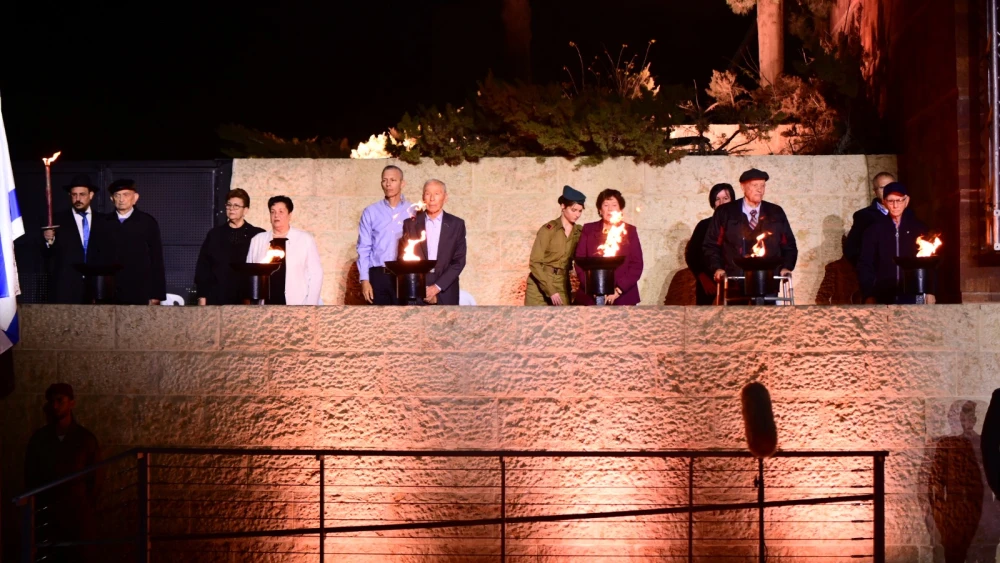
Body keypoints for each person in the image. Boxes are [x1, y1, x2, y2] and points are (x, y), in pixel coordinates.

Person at [24, 383, 100, 563]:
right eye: (53, 401)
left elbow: (96, 480)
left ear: (71, 403)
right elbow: (31, 475)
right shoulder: (40, 439)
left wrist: (84, 507)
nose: (55, 405)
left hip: (77, 519)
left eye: (60, 400)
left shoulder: (85, 439)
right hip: (47, 516)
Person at [703, 168, 797, 298]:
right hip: (734, 282)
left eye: (762, 185)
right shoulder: (725, 212)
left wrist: (786, 267)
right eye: (755, 185)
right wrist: (717, 268)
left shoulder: (775, 212)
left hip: (768, 282)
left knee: (768, 317)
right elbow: (711, 245)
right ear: (743, 187)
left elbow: (789, 245)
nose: (760, 189)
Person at [42, 174, 116, 304]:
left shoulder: (104, 221)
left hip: (97, 288)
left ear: (91, 195)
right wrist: (49, 241)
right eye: (74, 195)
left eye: (82, 194)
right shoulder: (56, 220)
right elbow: (46, 255)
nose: (78, 198)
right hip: (66, 288)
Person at [857, 182, 934, 304]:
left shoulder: (919, 229)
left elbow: (930, 263)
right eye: (891, 201)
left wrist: (930, 291)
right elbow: (865, 265)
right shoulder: (873, 231)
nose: (895, 205)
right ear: (884, 202)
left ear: (906, 201)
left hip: (914, 295)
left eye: (899, 200)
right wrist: (869, 294)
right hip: (883, 295)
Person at [399, 179, 467, 305]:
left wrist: (436, 287)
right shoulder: (410, 224)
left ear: (445, 197)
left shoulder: (456, 224)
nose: (432, 199)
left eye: (437, 194)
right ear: (423, 197)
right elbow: (403, 259)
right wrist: (420, 287)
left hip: (445, 292)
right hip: (416, 292)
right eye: (428, 193)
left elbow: (459, 261)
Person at [246, 195, 323, 305]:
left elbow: (316, 274)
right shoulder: (258, 240)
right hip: (265, 304)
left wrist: (310, 305)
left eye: (281, 211)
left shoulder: (305, 239)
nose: (276, 215)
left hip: (297, 304)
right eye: (273, 212)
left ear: (289, 215)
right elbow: (250, 274)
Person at [194, 189, 265, 305]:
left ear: (245, 210)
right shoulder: (215, 234)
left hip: (246, 299)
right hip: (217, 297)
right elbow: (203, 268)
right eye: (229, 205)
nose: (231, 209)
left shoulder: (257, 235)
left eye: (236, 206)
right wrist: (202, 297)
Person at [573, 189, 644, 305]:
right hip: (591, 296)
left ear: (620, 209)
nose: (610, 209)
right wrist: (594, 288)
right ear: (600, 210)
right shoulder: (588, 229)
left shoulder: (630, 231)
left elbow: (636, 264)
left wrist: (618, 290)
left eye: (614, 205)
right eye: (606, 205)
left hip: (623, 297)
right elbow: (579, 262)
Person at [357, 165, 412, 305]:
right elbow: (364, 248)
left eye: (393, 180)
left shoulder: (413, 211)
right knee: (379, 323)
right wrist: (365, 279)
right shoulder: (371, 212)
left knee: (404, 321)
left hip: (404, 274)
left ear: (402, 183)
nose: (388, 184)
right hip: (378, 274)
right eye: (384, 180)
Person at [107, 179, 166, 305]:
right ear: (112, 199)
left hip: (140, 290)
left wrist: (156, 294)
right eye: (117, 195)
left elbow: (156, 258)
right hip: (110, 291)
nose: (121, 199)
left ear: (135, 198)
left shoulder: (147, 222)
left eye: (126, 194)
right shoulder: (103, 223)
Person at [524, 186, 586, 306]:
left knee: (564, 322)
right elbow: (534, 262)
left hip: (562, 282)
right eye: (574, 210)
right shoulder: (549, 230)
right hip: (539, 283)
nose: (577, 214)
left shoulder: (579, 233)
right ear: (563, 206)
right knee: (533, 322)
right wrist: (550, 290)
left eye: (580, 211)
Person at [685, 183, 735, 305]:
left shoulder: (739, 225)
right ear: (713, 203)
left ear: (732, 200)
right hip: (709, 283)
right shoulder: (704, 226)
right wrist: (702, 277)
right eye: (717, 199)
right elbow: (692, 255)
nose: (722, 202)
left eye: (725, 198)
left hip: (734, 283)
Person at [844, 171, 897, 266]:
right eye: (882, 187)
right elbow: (851, 250)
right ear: (875, 191)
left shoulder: (907, 214)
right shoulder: (863, 216)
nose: (888, 190)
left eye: (891, 186)